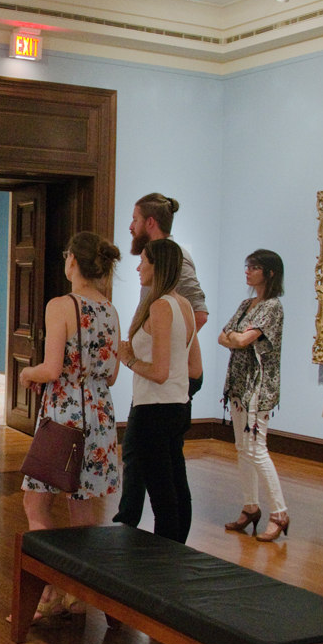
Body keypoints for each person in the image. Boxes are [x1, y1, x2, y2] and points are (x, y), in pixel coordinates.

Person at [18, 232, 122, 618]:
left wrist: (28, 374)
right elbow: (110, 375)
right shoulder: (110, 310)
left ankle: (48, 594)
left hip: (65, 413)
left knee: (36, 502)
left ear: (73, 262)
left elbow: (52, 368)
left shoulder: (62, 305)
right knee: (83, 510)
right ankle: (79, 592)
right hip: (100, 414)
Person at [113, 193, 208, 529]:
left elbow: (164, 369)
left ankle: (164, 553)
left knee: (163, 487)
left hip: (158, 402)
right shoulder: (173, 302)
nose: (138, 266)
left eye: (135, 220)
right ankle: (134, 526)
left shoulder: (166, 303)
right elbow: (192, 364)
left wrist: (129, 359)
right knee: (168, 478)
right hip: (168, 400)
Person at [218, 249, 289, 542]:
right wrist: (236, 338)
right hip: (238, 384)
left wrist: (237, 338)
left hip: (259, 387)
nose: (247, 271)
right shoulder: (248, 304)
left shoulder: (272, 307)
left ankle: (280, 513)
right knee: (242, 448)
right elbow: (224, 335)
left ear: (269, 273)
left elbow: (243, 339)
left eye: (254, 267)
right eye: (247, 266)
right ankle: (250, 507)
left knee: (257, 448)